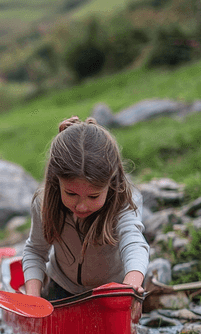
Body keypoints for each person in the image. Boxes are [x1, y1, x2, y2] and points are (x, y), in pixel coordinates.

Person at [22, 116, 149, 300]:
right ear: (56, 181)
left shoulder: (124, 201)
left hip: (116, 290)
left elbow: (134, 242)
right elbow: (35, 251)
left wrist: (132, 283)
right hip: (63, 287)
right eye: (71, 194)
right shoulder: (43, 202)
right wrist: (32, 298)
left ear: (111, 183)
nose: (81, 206)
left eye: (93, 196)